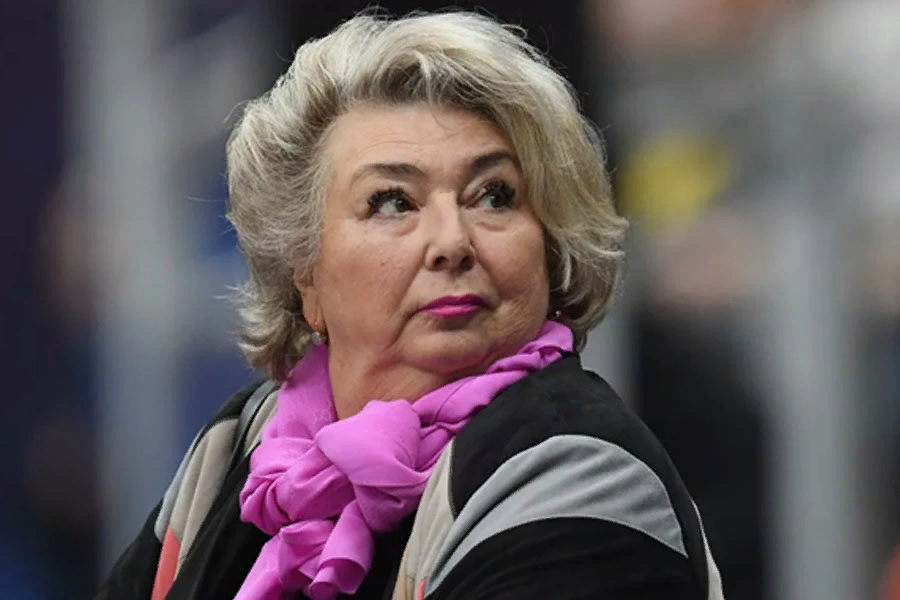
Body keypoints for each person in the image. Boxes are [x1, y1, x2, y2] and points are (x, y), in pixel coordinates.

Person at [95, 10, 725, 600]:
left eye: (494, 195)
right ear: (303, 271)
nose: (452, 243)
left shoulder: (582, 480)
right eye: (393, 202)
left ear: (550, 244)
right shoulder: (241, 447)